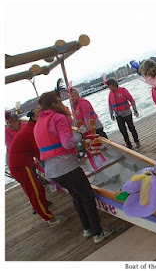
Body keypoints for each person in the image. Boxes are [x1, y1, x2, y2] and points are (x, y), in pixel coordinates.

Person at [34, 91, 113, 243]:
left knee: (76, 196)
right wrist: (81, 133)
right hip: (67, 167)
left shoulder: (39, 123)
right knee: (87, 196)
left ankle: (87, 229)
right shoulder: (58, 117)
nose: (63, 104)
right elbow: (68, 143)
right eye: (59, 101)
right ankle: (98, 233)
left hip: (52, 171)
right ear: (53, 104)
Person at [8, 108, 68, 227]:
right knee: (34, 192)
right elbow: (39, 151)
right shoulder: (31, 131)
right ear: (35, 117)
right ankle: (49, 218)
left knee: (39, 188)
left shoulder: (30, 128)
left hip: (23, 164)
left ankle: (46, 213)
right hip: (21, 167)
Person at [106, 78, 141, 149]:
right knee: (122, 130)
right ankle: (128, 144)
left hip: (127, 113)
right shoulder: (110, 94)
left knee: (131, 127)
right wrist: (111, 114)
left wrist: (135, 110)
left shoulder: (123, 91)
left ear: (113, 85)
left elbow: (131, 100)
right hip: (118, 115)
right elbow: (110, 105)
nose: (109, 88)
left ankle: (137, 141)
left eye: (109, 86)